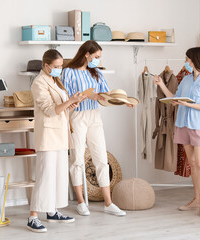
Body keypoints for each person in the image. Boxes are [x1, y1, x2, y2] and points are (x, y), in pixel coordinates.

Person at [61, 40, 131, 217]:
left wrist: (123, 101)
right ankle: (80, 201)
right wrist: (84, 96)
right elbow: (64, 97)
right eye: (96, 57)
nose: (98, 60)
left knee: (101, 159)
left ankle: (108, 203)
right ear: (86, 54)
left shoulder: (97, 73)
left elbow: (106, 96)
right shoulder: (68, 72)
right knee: (77, 159)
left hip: (94, 116)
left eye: (99, 57)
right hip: (77, 117)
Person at [154, 47, 200, 219]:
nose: (186, 62)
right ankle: (196, 199)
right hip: (182, 124)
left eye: (188, 59)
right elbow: (175, 99)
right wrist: (161, 85)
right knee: (192, 163)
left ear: (195, 60)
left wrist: (188, 104)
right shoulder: (187, 79)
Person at [28, 49, 86, 233]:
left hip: (60, 135)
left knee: (58, 175)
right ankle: (33, 217)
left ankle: (52, 210)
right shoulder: (39, 83)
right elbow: (49, 110)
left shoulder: (55, 80)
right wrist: (70, 101)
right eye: (56, 67)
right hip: (48, 136)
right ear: (46, 66)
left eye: (61, 66)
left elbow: (61, 109)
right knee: (45, 176)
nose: (60, 69)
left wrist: (71, 103)